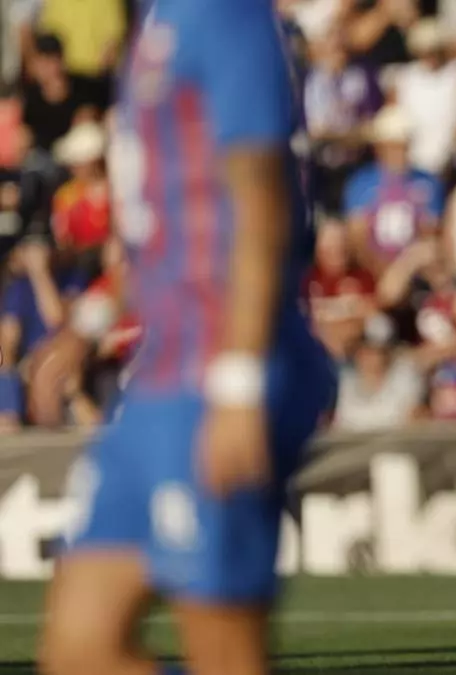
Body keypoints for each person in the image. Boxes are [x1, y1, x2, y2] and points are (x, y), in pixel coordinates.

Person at [37, 2, 336, 675]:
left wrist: (239, 383)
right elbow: (166, 217)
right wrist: (89, 322)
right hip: (156, 376)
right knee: (78, 651)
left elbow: (260, 197)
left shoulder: (224, 15)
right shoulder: (153, 23)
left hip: (219, 366)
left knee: (225, 656)